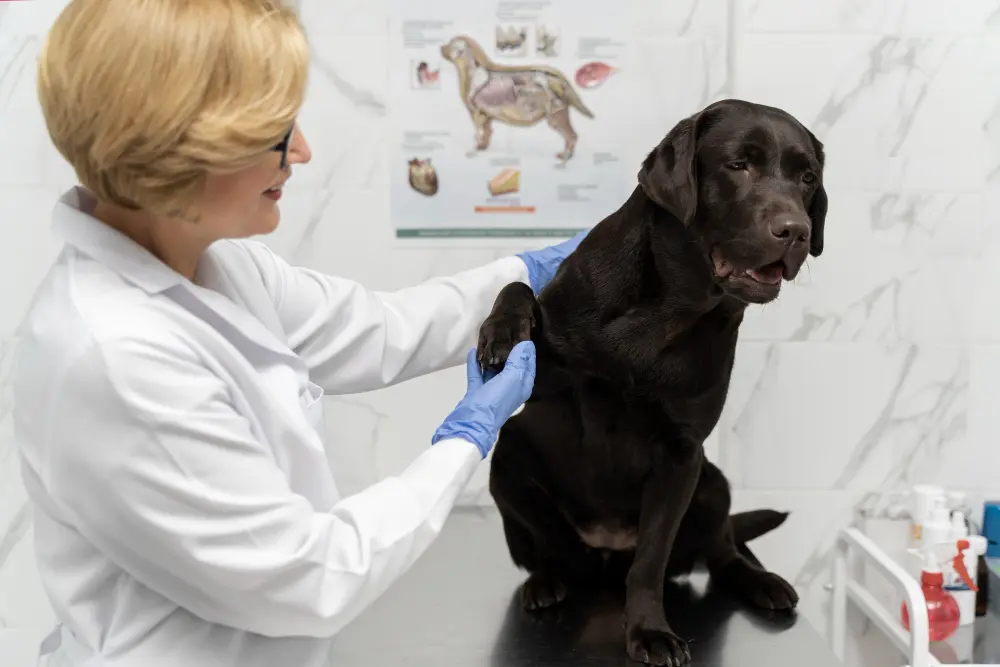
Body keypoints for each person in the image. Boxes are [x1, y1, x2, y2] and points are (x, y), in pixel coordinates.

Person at [13, 1, 588, 666]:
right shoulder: (114, 356)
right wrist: (465, 437)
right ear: (179, 148)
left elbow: (378, 328)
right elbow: (312, 577)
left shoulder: (215, 263)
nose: (305, 151)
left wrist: (538, 271)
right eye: (275, 131)